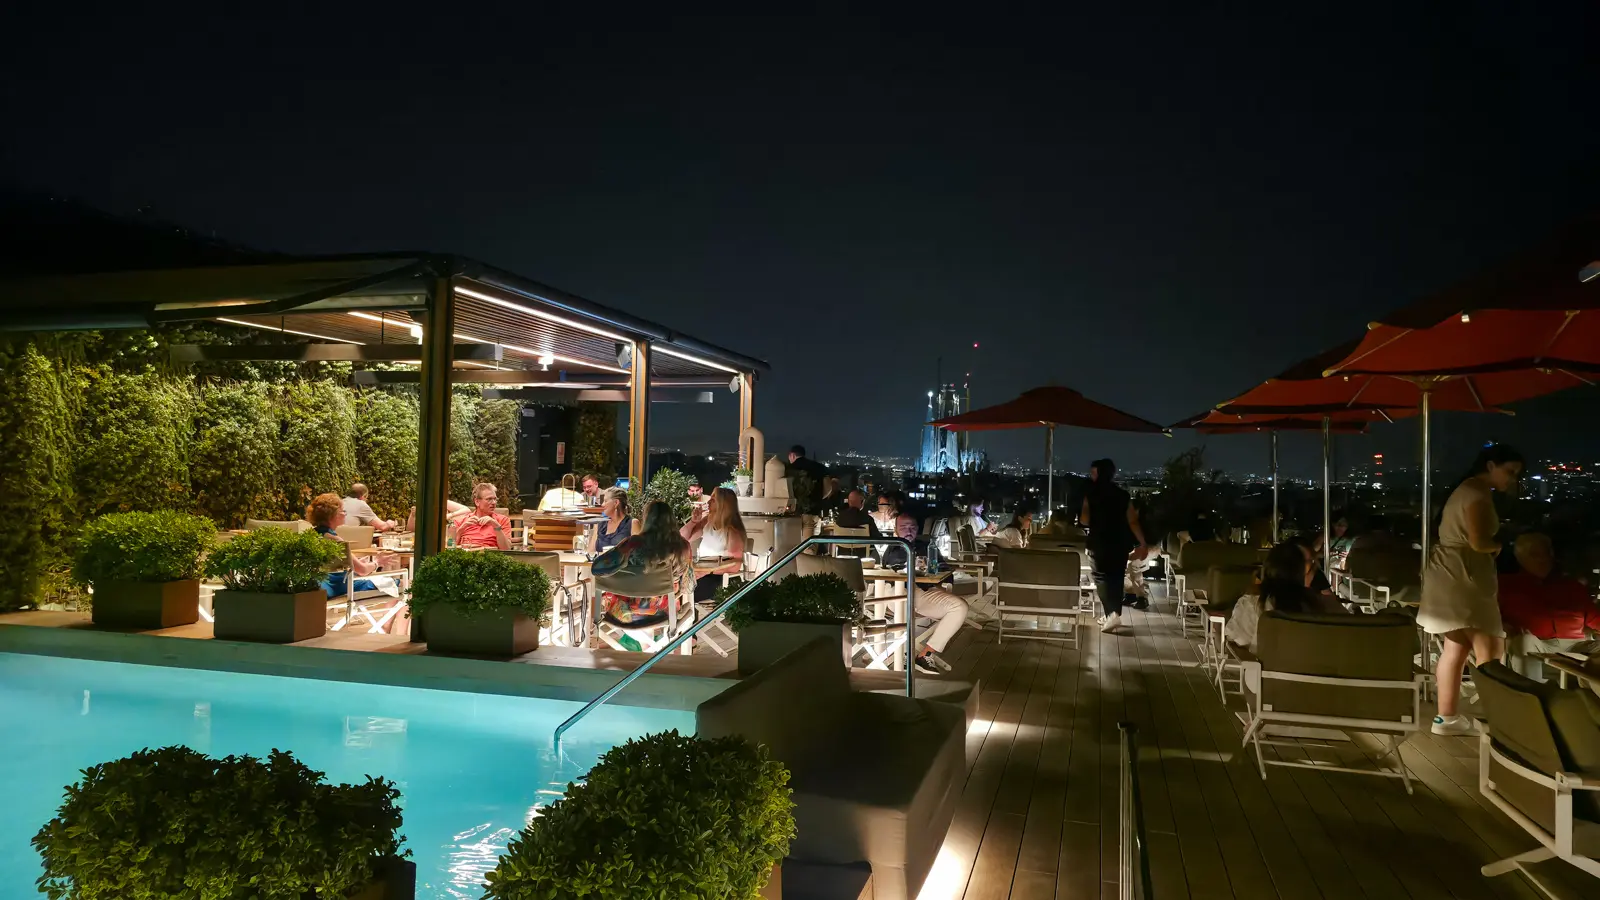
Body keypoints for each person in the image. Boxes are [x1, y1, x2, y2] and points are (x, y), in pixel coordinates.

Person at [1419, 443, 1523, 735]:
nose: (1512, 479)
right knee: (1490, 648)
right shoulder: (1477, 492)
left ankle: (1446, 718)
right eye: (1510, 471)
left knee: (1456, 647)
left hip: (1448, 573)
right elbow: (1479, 542)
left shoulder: (1465, 490)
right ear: (1490, 466)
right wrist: (1499, 545)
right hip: (1466, 576)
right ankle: (1501, 722)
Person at [1498, 532, 1600, 679]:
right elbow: (1490, 615)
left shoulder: (1572, 586)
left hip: (1577, 644)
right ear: (1520, 558)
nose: (1543, 559)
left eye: (1546, 553)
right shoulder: (1506, 585)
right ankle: (1531, 691)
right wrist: (1503, 625)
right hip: (1537, 643)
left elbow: (1595, 618)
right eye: (1534, 554)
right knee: (1524, 642)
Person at [591, 500, 692, 640]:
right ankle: (659, 645)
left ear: (646, 520)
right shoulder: (683, 547)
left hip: (623, 614)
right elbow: (688, 585)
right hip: (664, 614)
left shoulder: (632, 543)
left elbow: (597, 568)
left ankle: (643, 644)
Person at [1228, 541, 1346, 653]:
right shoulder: (1323, 605)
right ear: (1301, 572)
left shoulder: (1252, 604)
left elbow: (1237, 642)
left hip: (1266, 666)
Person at [1080, 458, 1148, 634]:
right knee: (1116, 579)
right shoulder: (1123, 495)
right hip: (1119, 543)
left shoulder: (1091, 494)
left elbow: (1084, 520)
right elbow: (1133, 521)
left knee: (1101, 578)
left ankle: (1111, 614)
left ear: (1099, 473)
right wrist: (1142, 543)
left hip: (1098, 543)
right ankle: (1112, 614)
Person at [305, 492, 398, 600]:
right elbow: (363, 570)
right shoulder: (336, 541)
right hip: (340, 587)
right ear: (334, 515)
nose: (345, 514)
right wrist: (377, 562)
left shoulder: (310, 537)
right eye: (343, 511)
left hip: (317, 586)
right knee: (397, 583)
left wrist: (355, 563)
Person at [682, 486, 748, 601]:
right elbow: (683, 538)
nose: (708, 502)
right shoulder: (707, 521)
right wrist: (693, 522)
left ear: (723, 505)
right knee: (673, 586)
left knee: (681, 592)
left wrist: (708, 571)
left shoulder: (732, 531)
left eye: (713, 500)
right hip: (702, 574)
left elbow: (735, 566)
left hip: (719, 579)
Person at [912, 585, 971, 675]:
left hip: (923, 587)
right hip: (906, 591)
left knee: (960, 604)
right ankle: (924, 655)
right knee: (959, 607)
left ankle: (923, 655)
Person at [451, 483, 512, 550]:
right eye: (489, 499)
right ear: (477, 502)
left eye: (495, 499)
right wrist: (461, 529)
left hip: (489, 555)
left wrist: (496, 526)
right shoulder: (461, 521)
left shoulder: (502, 520)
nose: (494, 502)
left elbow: (506, 549)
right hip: (466, 554)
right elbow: (450, 547)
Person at [593, 487, 633, 554]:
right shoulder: (599, 524)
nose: (602, 504)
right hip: (601, 560)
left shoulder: (632, 523)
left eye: (605, 501)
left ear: (616, 502)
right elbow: (591, 552)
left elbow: (639, 554)